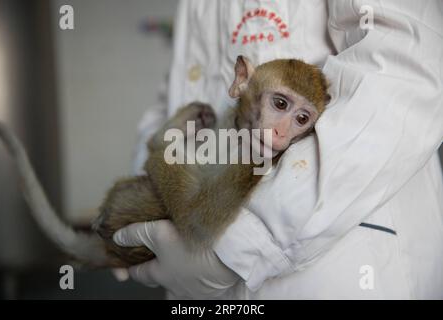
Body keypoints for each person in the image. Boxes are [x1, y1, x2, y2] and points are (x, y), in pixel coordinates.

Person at [113, 0, 443, 299]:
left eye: (299, 117)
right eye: (280, 104)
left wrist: (248, 241)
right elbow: (176, 93)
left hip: (332, 269)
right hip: (193, 262)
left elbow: (405, 68)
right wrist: (141, 211)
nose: (279, 133)